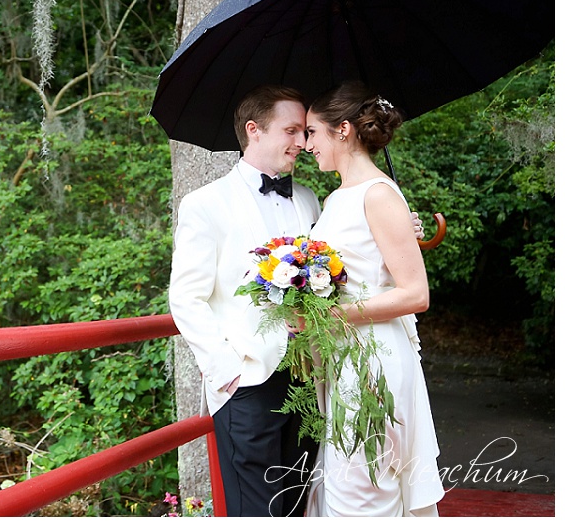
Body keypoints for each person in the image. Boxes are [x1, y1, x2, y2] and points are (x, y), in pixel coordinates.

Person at [168, 85, 423, 516]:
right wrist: (228, 373)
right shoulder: (205, 204)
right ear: (254, 131)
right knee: (258, 510)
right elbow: (186, 298)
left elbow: (346, 266)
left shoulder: (308, 198)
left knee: (299, 504)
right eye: (291, 131)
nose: (302, 144)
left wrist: (402, 228)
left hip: (314, 379)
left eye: (306, 132)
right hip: (249, 382)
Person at [302, 80, 445, 516]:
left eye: (311, 132)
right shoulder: (336, 198)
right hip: (344, 358)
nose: (307, 145)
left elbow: (415, 293)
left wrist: (334, 315)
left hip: (374, 361)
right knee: (353, 487)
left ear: (342, 130)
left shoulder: (379, 194)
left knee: (362, 494)